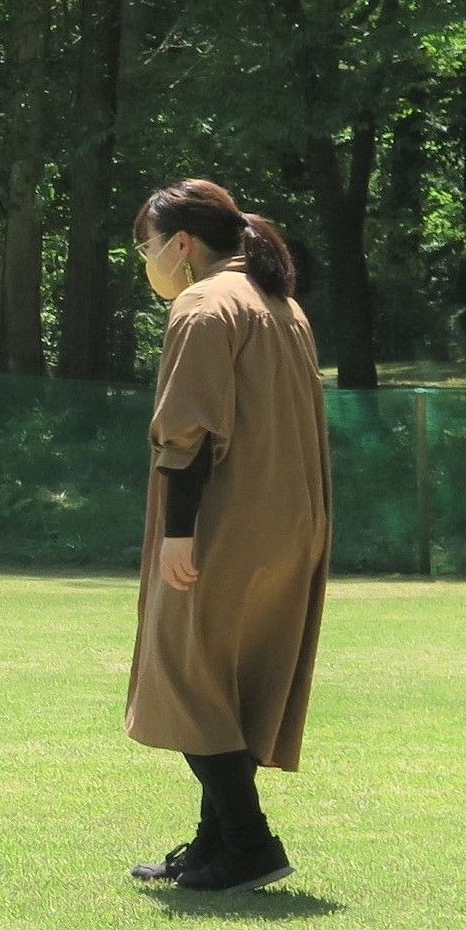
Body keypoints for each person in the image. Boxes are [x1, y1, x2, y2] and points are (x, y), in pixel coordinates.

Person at [123, 179, 331, 893]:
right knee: (232, 683)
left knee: (185, 675)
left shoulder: (203, 303)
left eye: (144, 246)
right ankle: (213, 844)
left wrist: (178, 532)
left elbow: (187, 430)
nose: (144, 260)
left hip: (225, 521)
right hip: (291, 522)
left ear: (180, 245)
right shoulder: (280, 303)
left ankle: (248, 842)